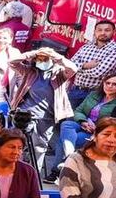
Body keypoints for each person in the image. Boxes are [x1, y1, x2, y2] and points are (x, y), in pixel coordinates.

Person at [7, 46, 77, 180]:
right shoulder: (29, 71)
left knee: (39, 147)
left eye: (45, 58)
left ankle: (32, 175)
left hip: (47, 117)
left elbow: (73, 68)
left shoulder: (59, 74)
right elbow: (12, 62)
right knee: (18, 142)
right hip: (26, 114)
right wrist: (32, 53)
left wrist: (56, 55)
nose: (42, 61)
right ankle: (14, 172)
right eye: (40, 58)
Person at [57, 72, 116, 167]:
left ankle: (57, 170)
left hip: (96, 132)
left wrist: (96, 129)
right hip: (83, 124)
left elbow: (112, 124)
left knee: (64, 139)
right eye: (107, 83)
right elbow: (78, 111)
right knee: (67, 124)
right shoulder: (94, 95)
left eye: (114, 84)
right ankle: (69, 157)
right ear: (103, 83)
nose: (110, 86)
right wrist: (83, 122)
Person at [67, 20, 116, 108]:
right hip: (76, 89)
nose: (103, 33)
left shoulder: (114, 49)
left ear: (114, 32)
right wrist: (85, 66)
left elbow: (98, 72)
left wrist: (78, 68)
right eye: (99, 30)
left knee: (86, 120)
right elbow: (69, 65)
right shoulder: (86, 46)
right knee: (66, 118)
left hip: (96, 94)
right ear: (95, 32)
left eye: (107, 30)